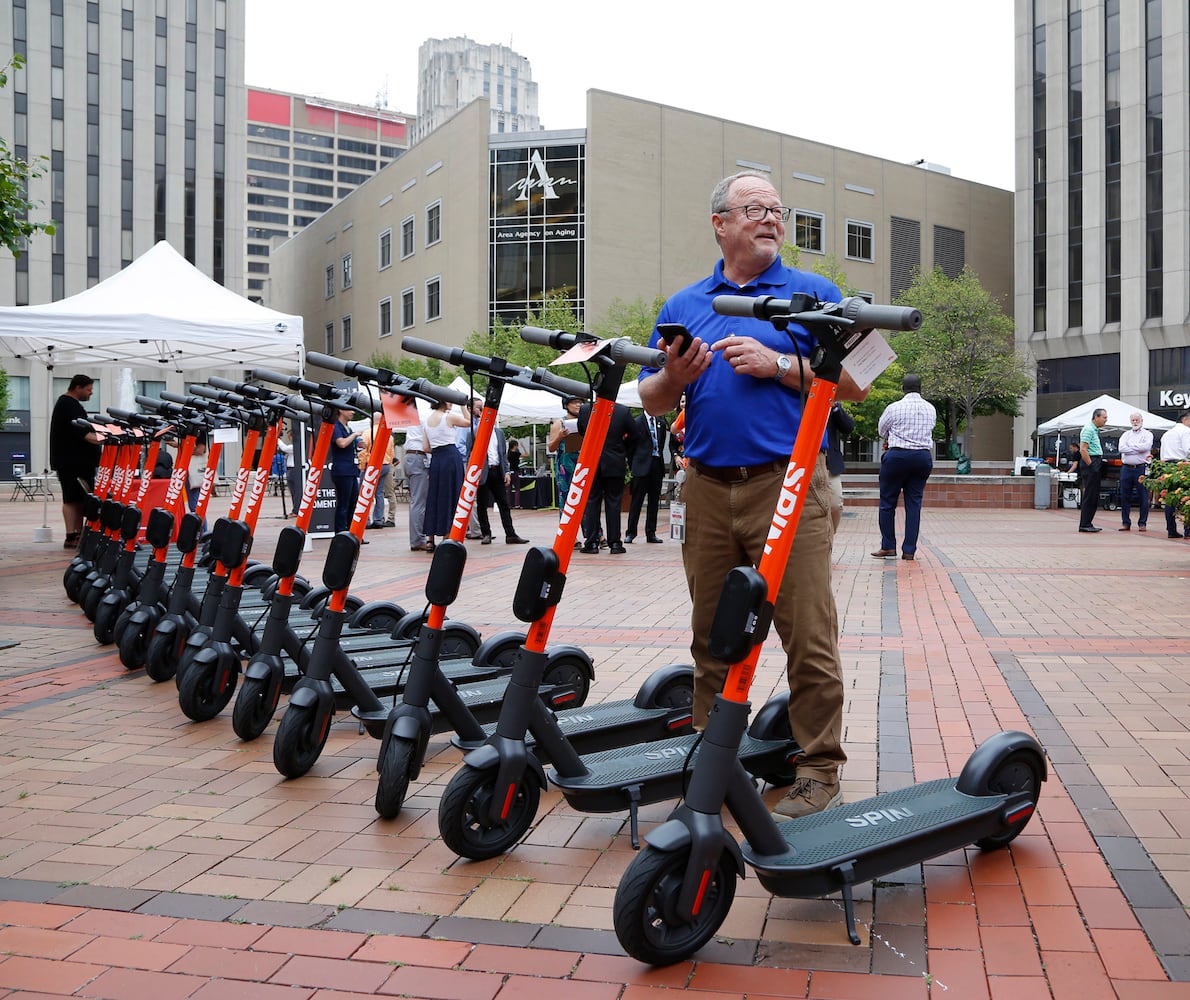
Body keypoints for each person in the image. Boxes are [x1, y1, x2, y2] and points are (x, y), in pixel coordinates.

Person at [637, 170, 869, 820]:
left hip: (788, 487)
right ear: (721, 223)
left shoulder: (816, 294)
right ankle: (716, 762)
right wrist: (674, 378)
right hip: (707, 488)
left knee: (807, 633)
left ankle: (819, 770)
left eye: (776, 209)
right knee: (713, 635)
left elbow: (861, 382)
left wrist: (781, 367)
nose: (770, 217)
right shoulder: (686, 304)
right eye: (754, 208)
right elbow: (654, 401)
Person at [872, 374, 937, 560]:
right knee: (914, 504)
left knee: (887, 503)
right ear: (920, 388)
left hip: (897, 457)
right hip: (922, 458)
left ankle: (888, 546)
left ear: (903, 388)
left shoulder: (894, 408)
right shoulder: (930, 409)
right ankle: (909, 550)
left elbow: (881, 430)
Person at [464, 397, 529, 545]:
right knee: (482, 505)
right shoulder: (473, 433)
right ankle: (486, 533)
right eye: (479, 408)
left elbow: (502, 454)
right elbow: (469, 455)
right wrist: (473, 474)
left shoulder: (499, 433)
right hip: (482, 473)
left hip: (497, 471)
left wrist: (506, 472)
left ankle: (510, 534)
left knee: (504, 504)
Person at [49, 374, 103, 550]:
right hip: (72, 462)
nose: (91, 393)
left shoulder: (68, 404)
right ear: (77, 387)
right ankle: (72, 534)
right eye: (88, 389)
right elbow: (85, 434)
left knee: (79, 498)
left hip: (75, 461)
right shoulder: (68, 405)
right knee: (72, 498)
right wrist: (105, 437)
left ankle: (77, 534)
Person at [577, 400, 637, 555]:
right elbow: (635, 435)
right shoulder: (622, 411)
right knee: (614, 503)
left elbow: (582, 431)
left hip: (592, 461)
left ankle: (591, 542)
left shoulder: (585, 409)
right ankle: (615, 543)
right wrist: (622, 448)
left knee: (591, 502)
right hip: (614, 460)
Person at [420, 399, 469, 551]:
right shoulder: (448, 417)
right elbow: (469, 422)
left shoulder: (427, 421)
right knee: (451, 494)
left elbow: (426, 447)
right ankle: (447, 534)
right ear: (443, 402)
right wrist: (463, 406)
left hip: (436, 458)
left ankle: (430, 538)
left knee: (434, 496)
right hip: (450, 456)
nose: (451, 403)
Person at [625, 410, 670, 544]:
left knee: (654, 501)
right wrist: (633, 463)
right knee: (636, 501)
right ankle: (631, 532)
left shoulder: (661, 423)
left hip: (656, 464)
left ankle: (651, 532)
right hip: (641, 466)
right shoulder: (636, 422)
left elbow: (661, 444)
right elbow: (630, 446)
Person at [330, 408, 364, 538]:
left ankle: (352, 532)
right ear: (340, 410)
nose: (353, 412)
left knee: (353, 502)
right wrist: (354, 435)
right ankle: (341, 532)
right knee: (343, 503)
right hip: (342, 470)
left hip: (351, 469)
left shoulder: (347, 427)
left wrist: (358, 443)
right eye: (349, 409)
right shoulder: (336, 426)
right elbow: (341, 443)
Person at [1117, 411, 1152, 532]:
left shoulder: (1148, 434)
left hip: (1141, 468)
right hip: (1126, 468)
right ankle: (1125, 522)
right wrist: (1137, 448)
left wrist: (1130, 447)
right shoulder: (1125, 434)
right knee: (1124, 496)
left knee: (1143, 496)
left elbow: (1146, 447)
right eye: (1133, 420)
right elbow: (1121, 448)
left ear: (1142, 421)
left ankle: (1142, 523)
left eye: (1137, 420)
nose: (1135, 422)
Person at [547, 396, 584, 507]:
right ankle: (566, 523)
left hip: (583, 465)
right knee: (566, 499)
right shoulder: (559, 423)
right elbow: (551, 448)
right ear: (566, 405)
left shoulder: (586, 421)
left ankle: (587, 524)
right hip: (565, 466)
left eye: (580, 402)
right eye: (574, 402)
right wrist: (560, 436)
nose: (578, 405)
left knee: (585, 500)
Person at [360, 413, 394, 530]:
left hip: (371, 465)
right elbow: (391, 453)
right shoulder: (389, 435)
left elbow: (363, 451)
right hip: (385, 465)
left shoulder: (367, 433)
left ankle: (366, 520)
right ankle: (378, 519)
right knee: (379, 493)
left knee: (366, 493)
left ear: (371, 420)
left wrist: (362, 465)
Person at [1159, 410, 1190, 538]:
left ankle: (1171, 530)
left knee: (1170, 499)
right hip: (1181, 465)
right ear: (1185, 420)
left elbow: (1162, 454)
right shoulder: (1186, 431)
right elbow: (1188, 449)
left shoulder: (1167, 433)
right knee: (1186, 498)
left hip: (1167, 466)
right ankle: (1188, 531)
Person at [1077, 407, 1108, 533]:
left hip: (1095, 461)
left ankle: (1088, 522)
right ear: (1096, 417)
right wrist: (1091, 466)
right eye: (1104, 417)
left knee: (1093, 494)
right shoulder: (1089, 429)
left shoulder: (1094, 430)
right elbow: (1083, 449)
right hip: (1091, 462)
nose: (1106, 420)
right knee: (1090, 494)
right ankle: (1085, 523)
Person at [825, 402, 855, 533]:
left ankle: (828, 542)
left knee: (835, 505)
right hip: (805, 463)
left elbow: (848, 427)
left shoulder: (833, 407)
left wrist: (836, 408)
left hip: (830, 464)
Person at [402, 429, 430, 552]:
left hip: (411, 456)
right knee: (419, 501)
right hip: (419, 456)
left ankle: (417, 539)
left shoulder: (414, 412)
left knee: (416, 500)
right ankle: (418, 540)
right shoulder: (425, 413)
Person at [507, 439, 523, 508]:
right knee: (517, 488)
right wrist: (523, 446)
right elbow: (527, 454)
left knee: (509, 489)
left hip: (509, 471)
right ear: (515, 446)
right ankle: (517, 504)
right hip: (515, 471)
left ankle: (509, 504)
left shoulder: (508, 453)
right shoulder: (516, 454)